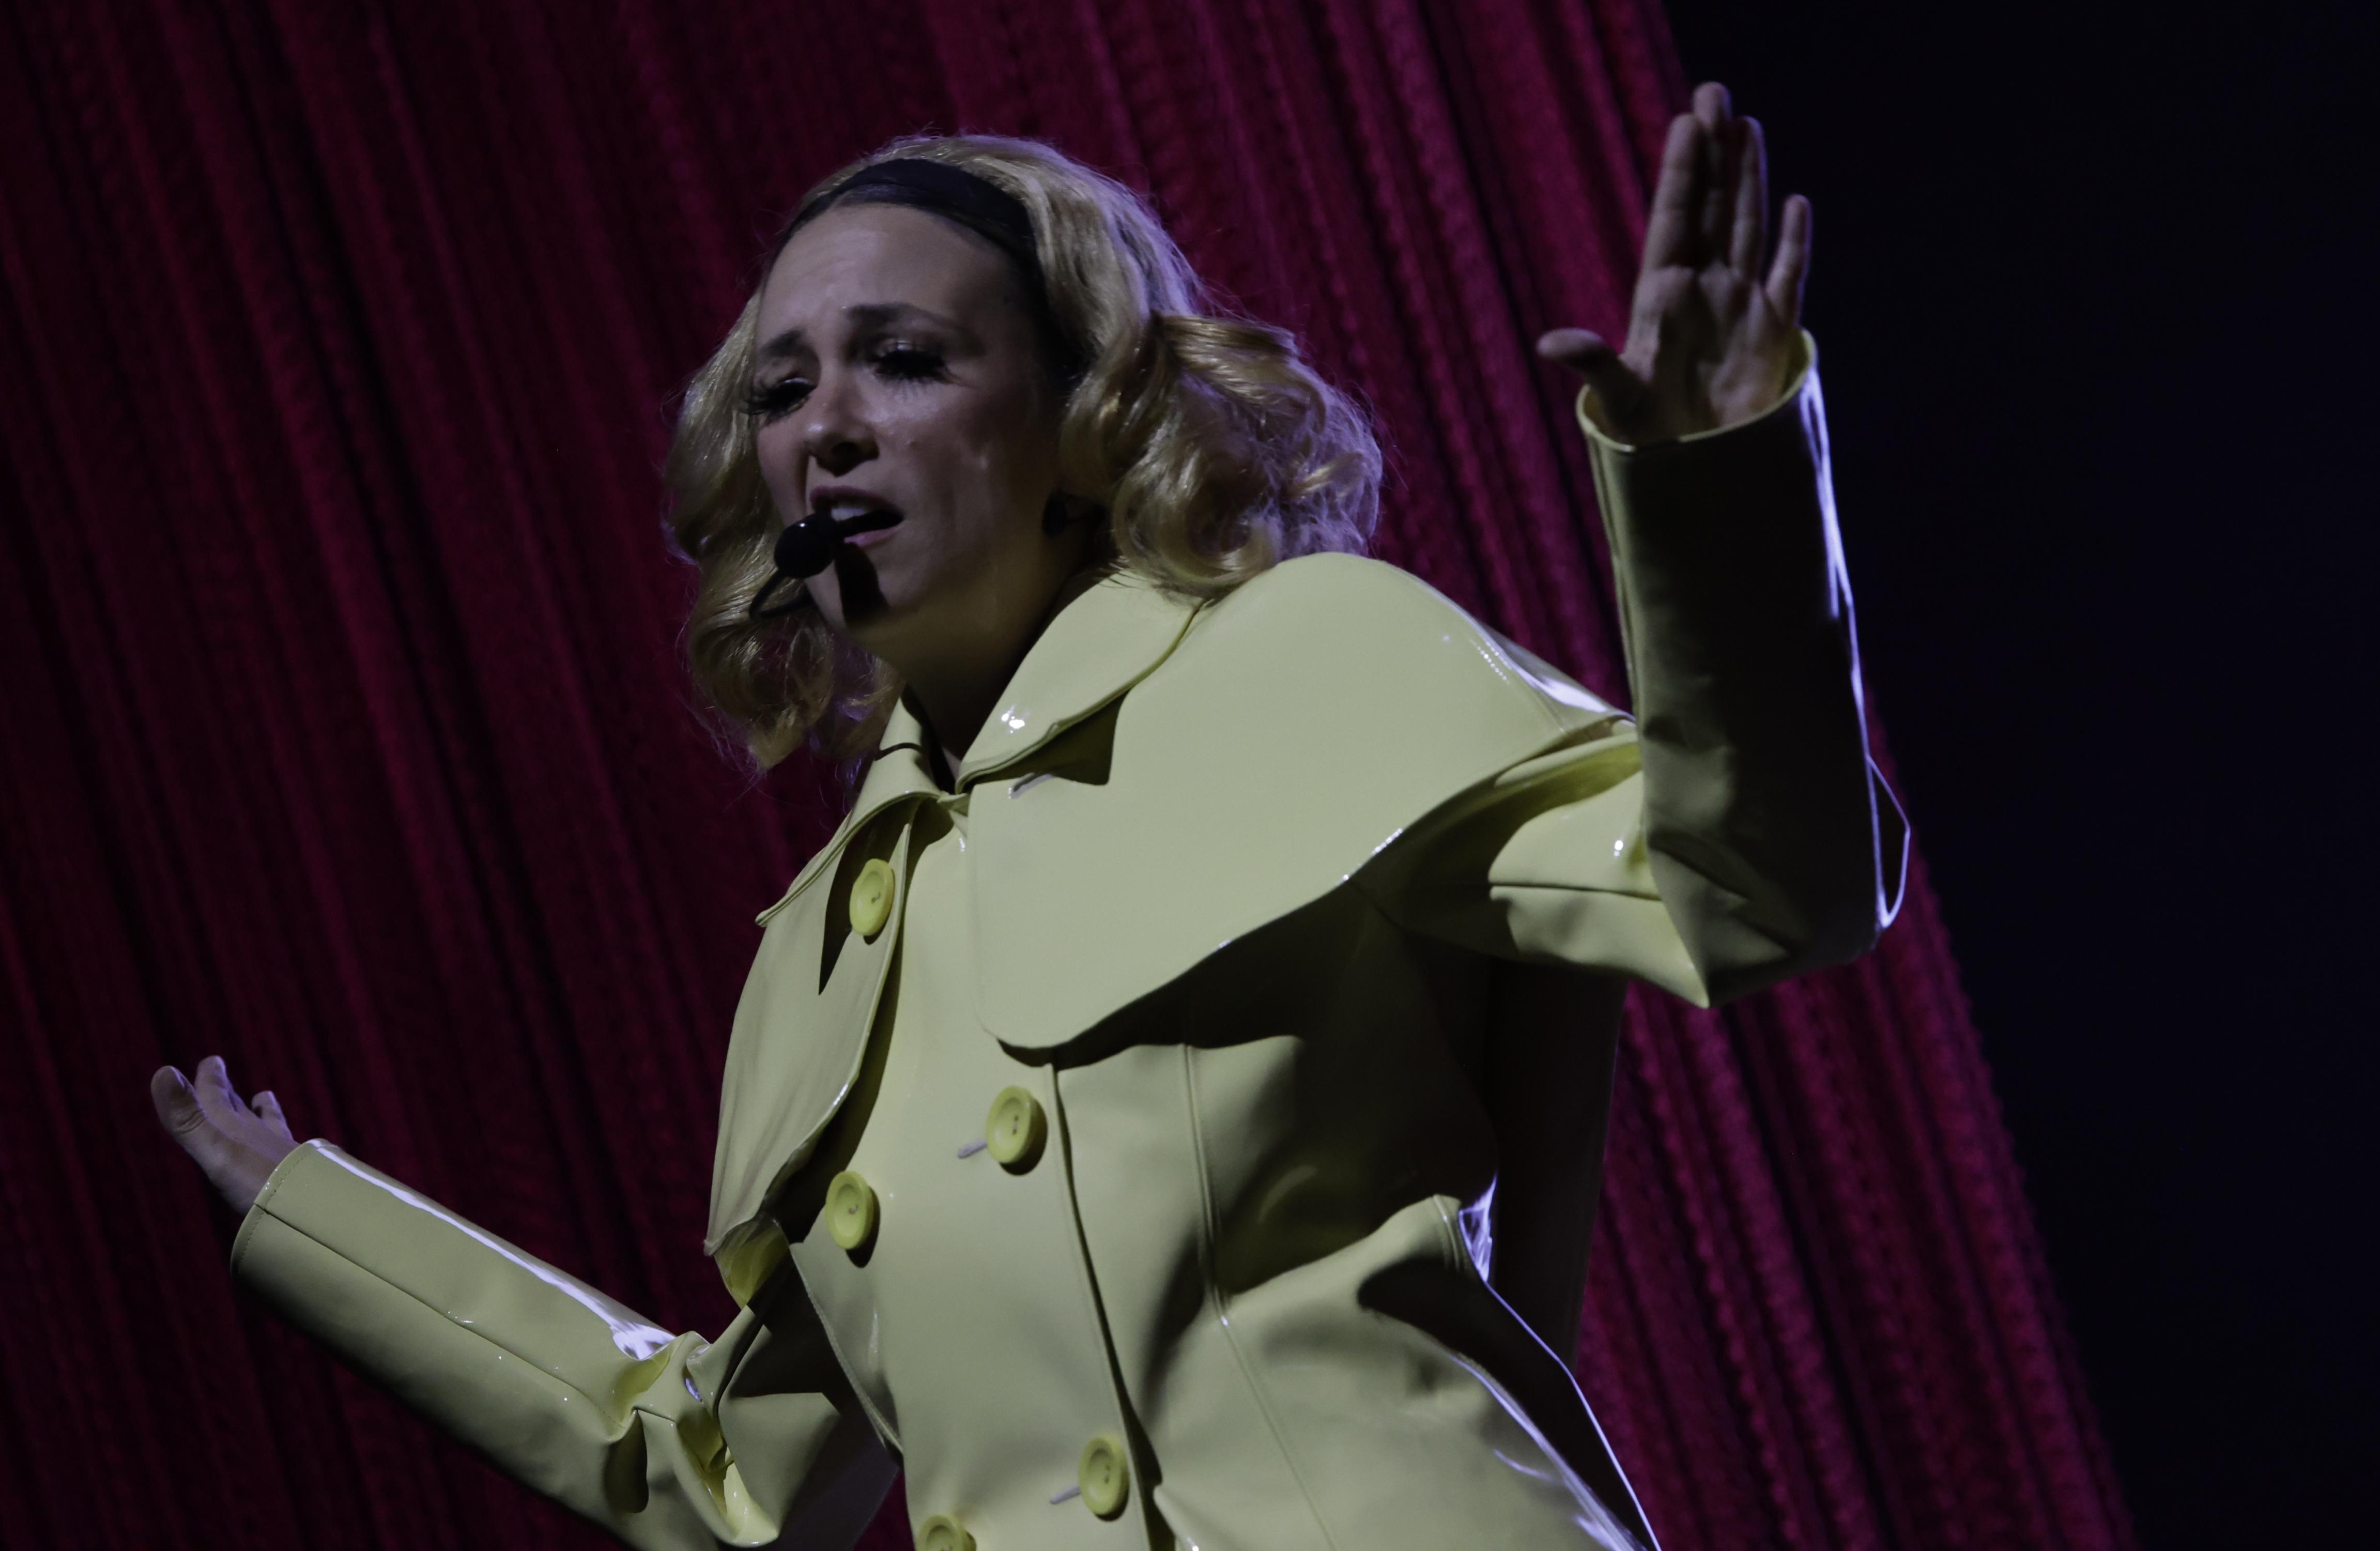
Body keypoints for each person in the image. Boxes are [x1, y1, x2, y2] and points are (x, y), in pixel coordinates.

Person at [153, 80, 1906, 1551]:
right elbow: (715, 1476)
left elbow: (1761, 894)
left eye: (902, 361)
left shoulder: (1313, 659)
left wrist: (1721, 479)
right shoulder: (821, 965)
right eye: (781, 391)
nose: (826, 432)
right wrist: (310, 1217)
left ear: (1087, 419)